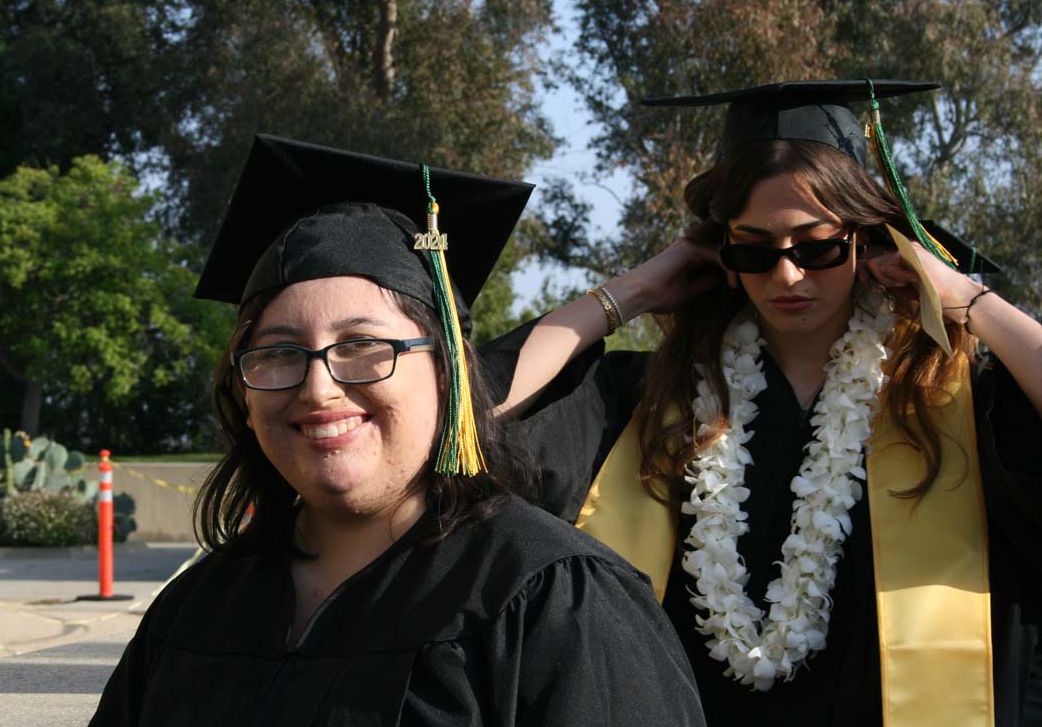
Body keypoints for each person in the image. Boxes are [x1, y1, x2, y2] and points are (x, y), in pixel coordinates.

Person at [89, 134, 705, 726]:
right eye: (278, 353)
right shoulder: (197, 607)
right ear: (241, 391)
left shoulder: (552, 599)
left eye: (362, 345)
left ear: (450, 372)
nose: (318, 388)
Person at [485, 81, 1042, 726]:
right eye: (754, 248)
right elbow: (471, 417)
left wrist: (966, 300)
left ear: (865, 240)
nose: (787, 276)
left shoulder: (949, 400)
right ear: (722, 254)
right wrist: (631, 292)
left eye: (816, 246)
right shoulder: (642, 400)